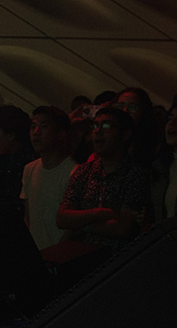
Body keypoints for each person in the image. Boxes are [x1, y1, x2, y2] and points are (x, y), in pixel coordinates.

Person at [57, 107, 150, 250]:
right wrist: (101, 213)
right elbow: (62, 218)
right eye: (94, 125)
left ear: (125, 135)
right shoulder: (84, 171)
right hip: (79, 256)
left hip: (116, 261)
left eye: (106, 126)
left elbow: (123, 228)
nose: (97, 131)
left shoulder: (134, 174)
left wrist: (82, 226)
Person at [20, 106, 76, 249]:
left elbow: (73, 228)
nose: (36, 133)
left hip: (60, 258)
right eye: (33, 127)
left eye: (44, 126)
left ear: (60, 134)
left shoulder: (74, 172)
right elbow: (28, 218)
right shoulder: (29, 169)